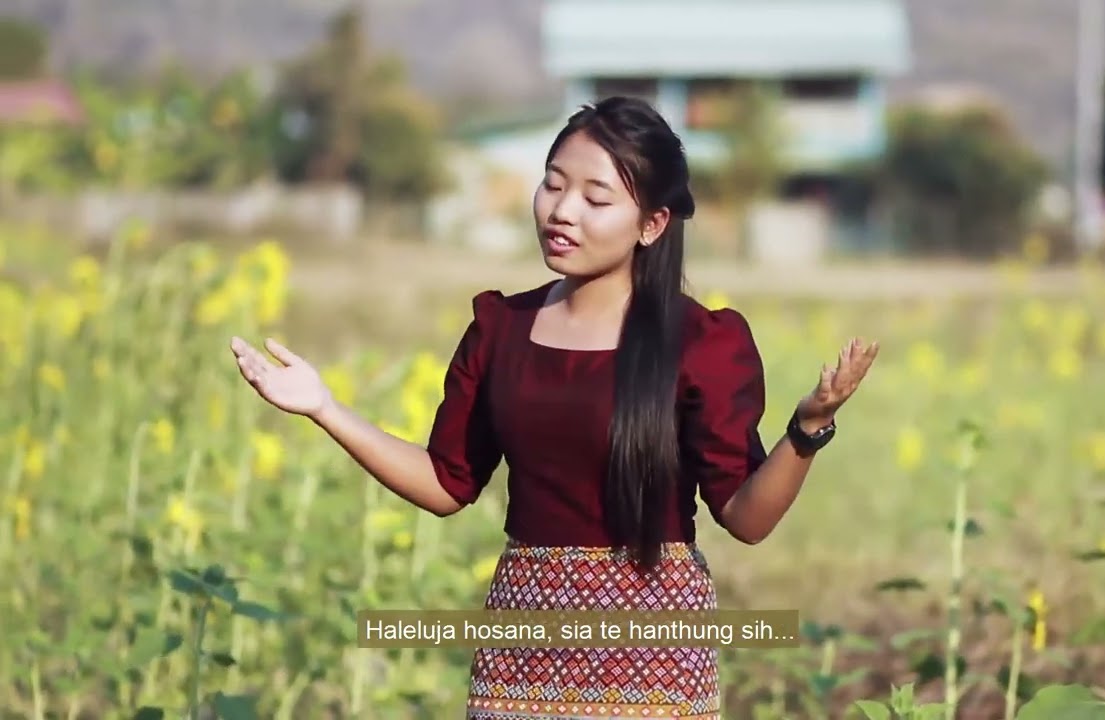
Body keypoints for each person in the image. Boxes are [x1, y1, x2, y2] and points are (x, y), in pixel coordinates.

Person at [229, 95, 879, 720]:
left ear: (652, 224)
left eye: (596, 198)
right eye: (552, 185)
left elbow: (745, 517)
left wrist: (808, 428)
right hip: (521, 644)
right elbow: (446, 482)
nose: (562, 211)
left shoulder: (702, 345)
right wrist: (325, 408)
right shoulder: (501, 328)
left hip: (651, 655)